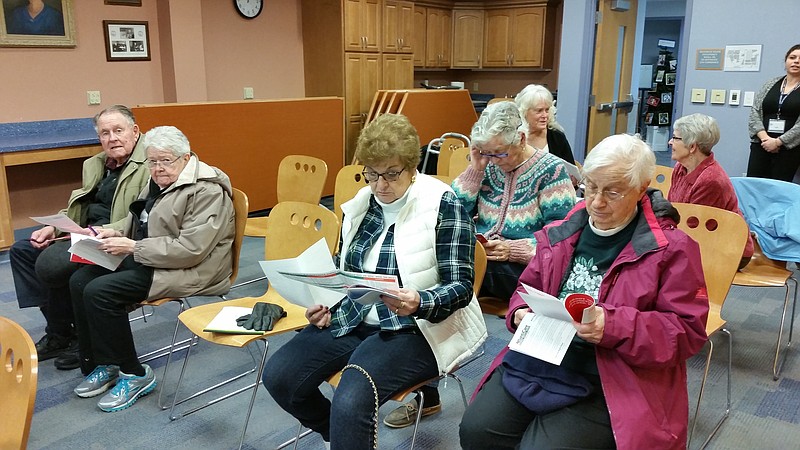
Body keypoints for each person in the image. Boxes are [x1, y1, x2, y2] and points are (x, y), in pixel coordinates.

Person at [460, 134, 708, 450]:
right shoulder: (566, 229)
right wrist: (520, 310)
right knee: (477, 431)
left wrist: (612, 325)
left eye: (613, 192)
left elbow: (686, 333)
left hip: (611, 372)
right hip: (543, 353)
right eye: (590, 187)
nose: (596, 202)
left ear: (641, 189)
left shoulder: (672, 250)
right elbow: (528, 286)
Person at [262, 113, 485, 449]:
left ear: (412, 168)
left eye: (392, 174)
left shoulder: (442, 204)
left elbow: (461, 287)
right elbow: (345, 270)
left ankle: (347, 437)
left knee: (352, 400)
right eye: (372, 174)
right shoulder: (361, 205)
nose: (381, 184)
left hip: (417, 328)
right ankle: (339, 438)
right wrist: (325, 303)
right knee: (280, 376)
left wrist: (420, 301)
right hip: (356, 316)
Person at [68, 126, 235, 412]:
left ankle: (135, 374)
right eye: (152, 161)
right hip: (155, 256)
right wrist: (111, 232)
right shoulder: (160, 181)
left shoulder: (206, 190)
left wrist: (132, 248)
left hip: (194, 269)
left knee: (101, 291)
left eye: (165, 161)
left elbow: (191, 250)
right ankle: (106, 362)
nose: (157, 168)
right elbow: (139, 219)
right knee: (81, 279)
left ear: (185, 157)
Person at [9, 105, 150, 370]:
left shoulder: (149, 164)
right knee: (23, 251)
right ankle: (62, 331)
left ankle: (75, 335)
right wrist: (55, 227)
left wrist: (105, 230)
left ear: (135, 131)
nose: (112, 138)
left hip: (114, 237)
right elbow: (81, 206)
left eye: (118, 131)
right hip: (84, 232)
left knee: (54, 266)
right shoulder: (96, 164)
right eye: (105, 133)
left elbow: (144, 213)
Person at [451, 100, 576, 302]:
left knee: (466, 273)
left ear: (521, 138)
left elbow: (561, 235)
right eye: (487, 152)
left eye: (500, 153)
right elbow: (451, 214)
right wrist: (475, 170)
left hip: (523, 264)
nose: (494, 160)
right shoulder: (486, 165)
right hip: (483, 256)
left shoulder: (551, 169)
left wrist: (513, 250)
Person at [669, 113, 754, 269]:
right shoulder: (681, 167)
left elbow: (694, 230)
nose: (670, 142)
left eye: (675, 138)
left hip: (729, 249)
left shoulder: (711, 180)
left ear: (692, 146)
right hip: (694, 238)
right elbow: (672, 210)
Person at [747, 44, 800, 181]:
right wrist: (765, 139)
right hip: (761, 144)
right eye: (792, 57)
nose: (796, 61)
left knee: (779, 189)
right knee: (754, 185)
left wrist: (778, 142)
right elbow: (755, 111)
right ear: (785, 61)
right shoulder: (771, 83)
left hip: (789, 149)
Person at [515, 84, 576, 164]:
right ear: (524, 112)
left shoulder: (557, 137)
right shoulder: (513, 137)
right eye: (539, 111)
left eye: (547, 110)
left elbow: (570, 172)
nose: (545, 115)